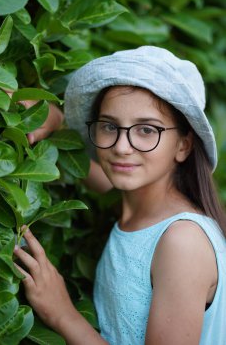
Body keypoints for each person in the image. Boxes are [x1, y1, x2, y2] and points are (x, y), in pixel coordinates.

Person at [14, 46, 226, 345]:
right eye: (110, 126)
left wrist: (62, 313)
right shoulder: (140, 205)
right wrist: (54, 118)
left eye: (146, 130)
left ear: (183, 146)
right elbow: (95, 174)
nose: (122, 147)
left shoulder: (182, 242)